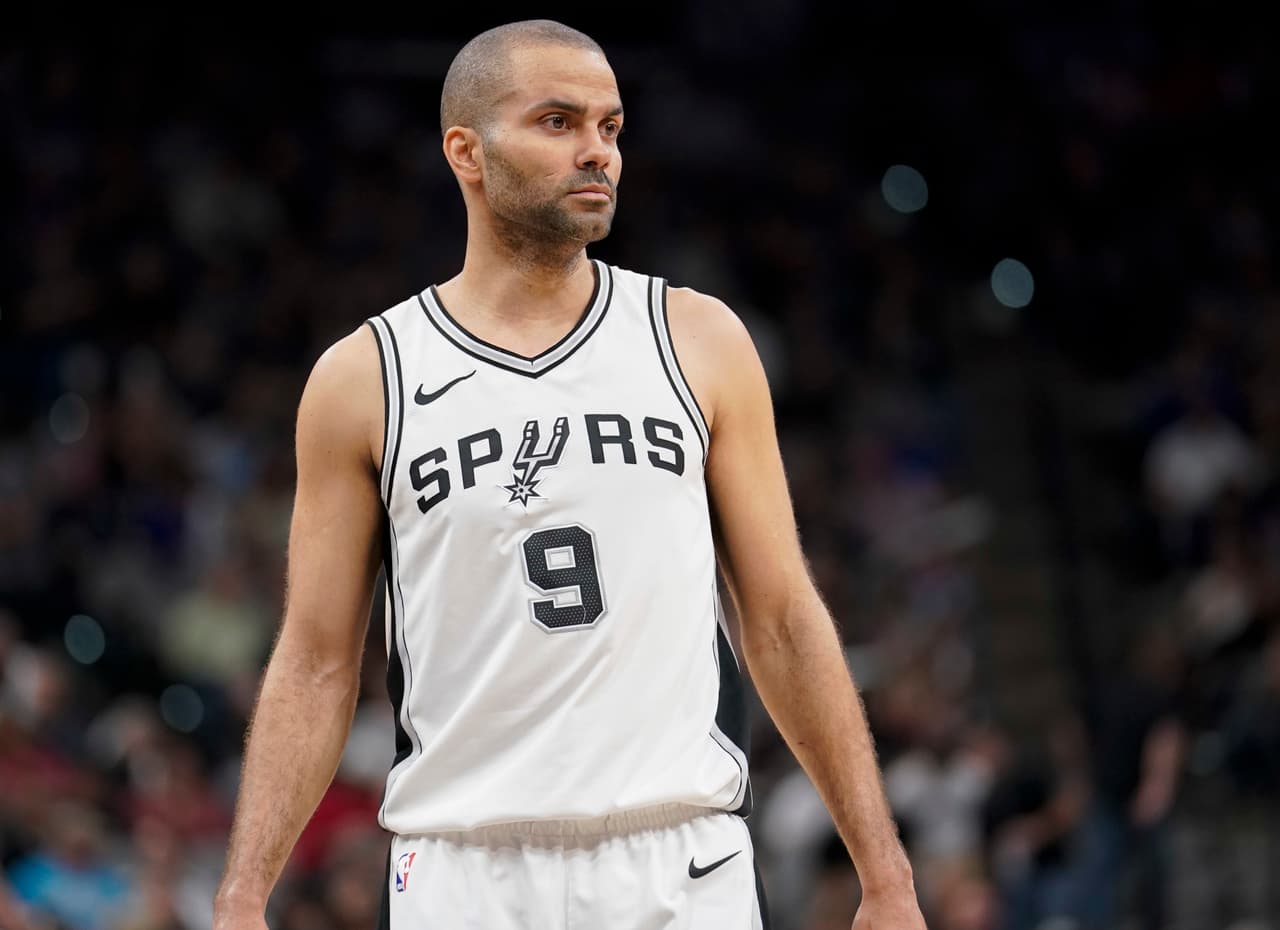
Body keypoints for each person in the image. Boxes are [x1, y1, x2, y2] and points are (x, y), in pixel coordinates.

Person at [212, 19, 925, 930]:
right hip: (464, 866)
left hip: (679, 854)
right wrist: (241, 897)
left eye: (611, 127)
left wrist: (887, 876)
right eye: (558, 122)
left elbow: (783, 617)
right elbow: (315, 663)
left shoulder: (696, 339)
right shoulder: (364, 380)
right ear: (465, 151)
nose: (598, 153)